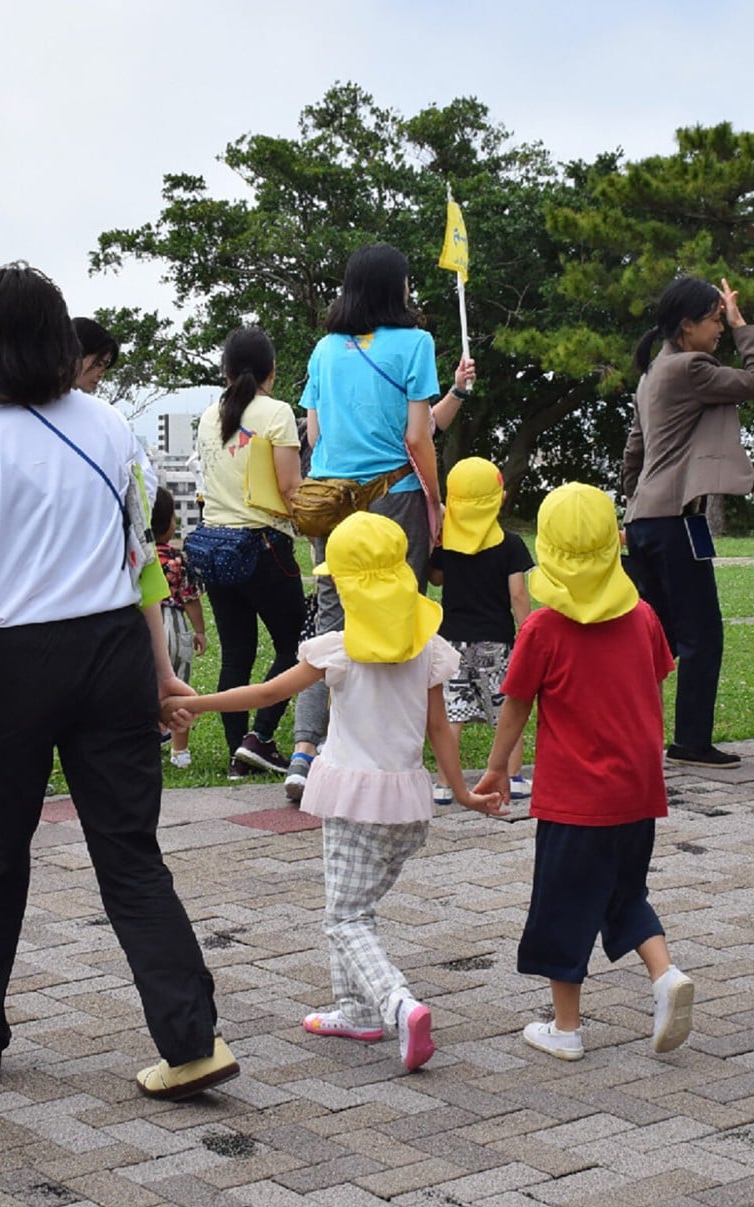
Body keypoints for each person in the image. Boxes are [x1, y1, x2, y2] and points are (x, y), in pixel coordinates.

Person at [0, 263, 233, 1098]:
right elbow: (140, 564)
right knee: (131, 854)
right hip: (114, 653)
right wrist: (161, 671)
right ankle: (192, 1040)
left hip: (18, 661)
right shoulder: (111, 427)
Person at [165, 513, 501, 1073]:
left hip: (354, 805)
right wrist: (461, 793)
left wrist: (194, 705)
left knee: (345, 919)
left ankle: (397, 1004)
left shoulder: (338, 649)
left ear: (349, 587)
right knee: (354, 908)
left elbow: (268, 693)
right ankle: (354, 1010)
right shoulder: (428, 646)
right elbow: (440, 729)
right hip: (408, 809)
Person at [474, 482, 693, 1062]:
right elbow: (656, 684)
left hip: (574, 801)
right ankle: (665, 975)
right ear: (615, 543)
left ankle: (566, 1028)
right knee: (626, 894)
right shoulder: (643, 617)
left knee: (562, 908)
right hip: (637, 792)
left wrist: (497, 769)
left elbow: (516, 705)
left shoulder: (543, 629)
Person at [286, 243, 474, 803]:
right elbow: (417, 437)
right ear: (397, 287)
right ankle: (388, 747)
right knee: (400, 616)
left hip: (332, 502)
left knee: (331, 621)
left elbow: (315, 434)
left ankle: (306, 751)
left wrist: (455, 394)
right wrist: (436, 500)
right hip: (396, 497)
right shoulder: (416, 343)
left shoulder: (325, 349)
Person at [623, 275, 754, 770]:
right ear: (687, 326)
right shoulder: (691, 367)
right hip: (674, 521)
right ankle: (690, 741)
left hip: (646, 520)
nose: (720, 329)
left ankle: (633, 732)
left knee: (657, 636)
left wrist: (634, 501)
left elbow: (634, 450)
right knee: (702, 636)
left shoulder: (652, 373)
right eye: (714, 320)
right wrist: (744, 325)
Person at [189, 326, 306, 780]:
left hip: (216, 549)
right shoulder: (277, 413)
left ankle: (236, 754)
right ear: (271, 370)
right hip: (264, 546)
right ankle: (259, 738)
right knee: (297, 644)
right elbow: (290, 488)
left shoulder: (208, 415)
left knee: (236, 654)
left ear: (226, 370)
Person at [426, 457, 532, 805]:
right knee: (506, 711)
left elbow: (436, 578)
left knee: (452, 713)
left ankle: (444, 784)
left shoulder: (447, 544)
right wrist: (527, 631)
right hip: (495, 642)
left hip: (452, 641)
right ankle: (513, 778)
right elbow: (518, 593)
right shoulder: (511, 544)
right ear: (499, 498)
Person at [152, 487, 205, 769]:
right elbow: (191, 598)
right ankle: (180, 751)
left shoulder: (134, 557)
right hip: (174, 624)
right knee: (178, 686)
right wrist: (200, 631)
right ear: (168, 524)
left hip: (142, 627)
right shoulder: (177, 559)